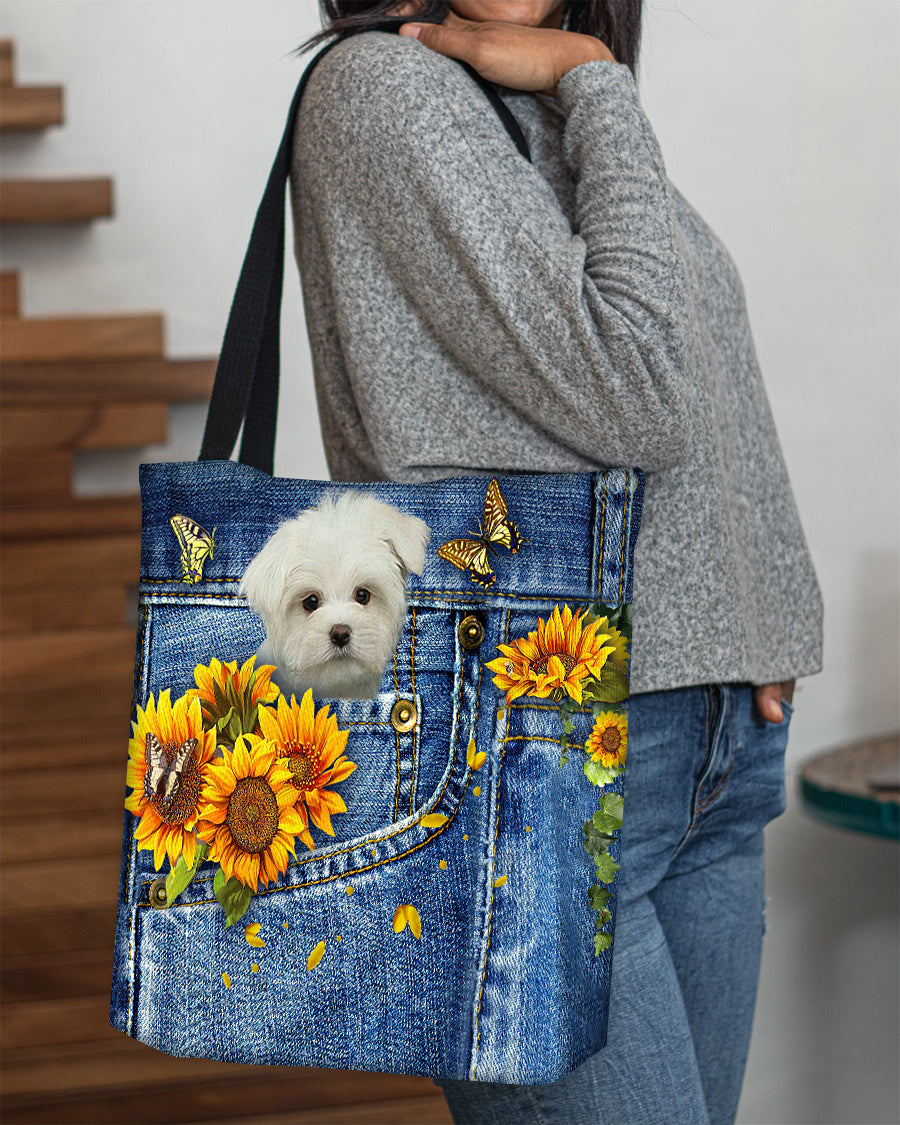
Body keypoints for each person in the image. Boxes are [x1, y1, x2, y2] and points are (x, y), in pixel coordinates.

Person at [288, 2, 824, 1122]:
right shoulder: (388, 90)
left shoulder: (532, 97)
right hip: (537, 760)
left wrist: (748, 628)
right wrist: (598, 78)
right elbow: (640, 390)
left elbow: (701, 366)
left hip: (703, 751)